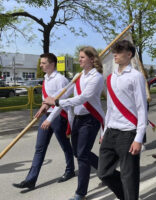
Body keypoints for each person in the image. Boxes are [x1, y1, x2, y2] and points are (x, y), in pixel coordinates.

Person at [44, 47, 105, 200]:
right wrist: (50, 103)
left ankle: (80, 193)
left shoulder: (96, 77)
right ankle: (105, 171)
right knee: (77, 152)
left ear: (92, 59)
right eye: (79, 57)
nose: (79, 60)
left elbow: (82, 98)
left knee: (82, 155)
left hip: (90, 119)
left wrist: (57, 102)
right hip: (77, 119)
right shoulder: (78, 76)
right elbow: (65, 91)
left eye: (83, 57)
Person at [13, 53, 75, 190]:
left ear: (52, 64)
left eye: (43, 63)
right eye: (41, 63)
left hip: (59, 117)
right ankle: (30, 180)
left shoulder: (61, 80)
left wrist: (50, 118)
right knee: (39, 148)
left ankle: (70, 170)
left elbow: (61, 103)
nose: (40, 65)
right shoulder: (46, 78)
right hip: (46, 116)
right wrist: (42, 109)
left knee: (65, 145)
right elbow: (47, 100)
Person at [97, 40, 148, 200]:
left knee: (129, 176)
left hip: (128, 133)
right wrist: (105, 131)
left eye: (119, 51)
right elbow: (111, 108)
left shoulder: (136, 76)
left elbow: (141, 108)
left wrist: (138, 138)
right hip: (111, 131)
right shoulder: (111, 78)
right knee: (103, 172)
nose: (115, 54)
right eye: (114, 51)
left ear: (129, 54)